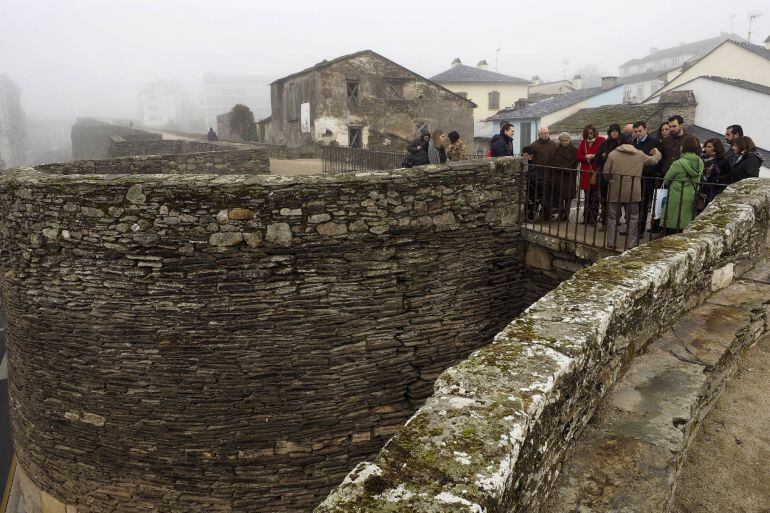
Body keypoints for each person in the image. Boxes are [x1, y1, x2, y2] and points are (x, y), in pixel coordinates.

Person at [603, 141, 662, 249]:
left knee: (612, 217)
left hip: (615, 189)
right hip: (633, 190)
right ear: (632, 144)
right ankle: (631, 244)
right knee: (633, 218)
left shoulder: (613, 154)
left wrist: (611, 180)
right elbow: (654, 161)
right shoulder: (639, 154)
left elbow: (606, 173)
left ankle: (611, 242)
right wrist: (657, 152)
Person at [662, 135, 704, 233]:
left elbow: (666, 180)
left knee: (672, 225)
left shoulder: (678, 163)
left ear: (683, 147)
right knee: (684, 225)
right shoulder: (700, 162)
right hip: (691, 197)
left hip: (676, 196)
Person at [633, 120, 663, 236]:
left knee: (645, 204)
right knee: (637, 204)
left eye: (640, 131)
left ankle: (641, 230)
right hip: (636, 177)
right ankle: (636, 228)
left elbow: (658, 160)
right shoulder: (634, 142)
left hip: (648, 178)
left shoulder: (654, 142)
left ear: (645, 130)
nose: (638, 133)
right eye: (636, 132)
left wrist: (648, 171)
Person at [577, 124, 605, 225]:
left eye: (591, 133)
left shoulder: (601, 140)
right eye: (588, 133)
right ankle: (586, 218)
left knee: (595, 198)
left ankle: (593, 219)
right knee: (587, 197)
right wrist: (586, 157)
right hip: (585, 174)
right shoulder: (583, 143)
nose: (590, 135)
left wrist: (594, 156)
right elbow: (578, 156)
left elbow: (602, 154)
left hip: (595, 173)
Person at [595, 124, 623, 227]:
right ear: (609, 132)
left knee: (615, 200)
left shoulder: (621, 144)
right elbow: (596, 160)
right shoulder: (604, 144)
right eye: (612, 131)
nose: (614, 133)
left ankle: (615, 221)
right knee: (604, 199)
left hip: (617, 176)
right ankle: (605, 223)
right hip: (604, 176)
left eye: (616, 131)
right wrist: (602, 156)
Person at [549, 133, 578, 220]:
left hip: (569, 176)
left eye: (567, 140)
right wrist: (562, 168)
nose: (565, 142)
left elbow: (575, 161)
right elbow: (553, 161)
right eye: (563, 141)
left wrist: (567, 168)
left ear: (569, 140)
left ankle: (566, 215)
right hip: (559, 176)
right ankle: (560, 214)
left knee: (568, 197)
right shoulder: (556, 150)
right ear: (560, 141)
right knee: (560, 196)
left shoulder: (574, 150)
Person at [699, 138, 731, 205]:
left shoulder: (722, 160)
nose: (706, 149)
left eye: (709, 147)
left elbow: (727, 176)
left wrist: (717, 179)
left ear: (716, 148)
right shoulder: (701, 157)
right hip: (700, 187)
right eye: (706, 146)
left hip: (713, 189)